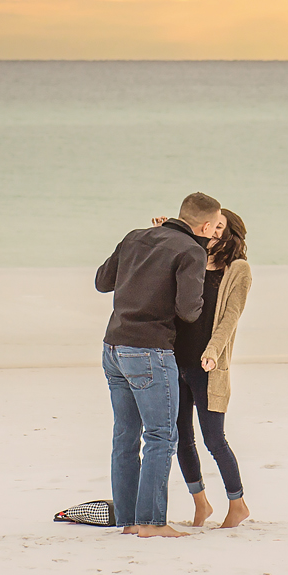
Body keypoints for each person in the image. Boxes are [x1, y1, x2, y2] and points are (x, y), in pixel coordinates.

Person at [95, 192, 222, 538]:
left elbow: (102, 282)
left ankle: (129, 521)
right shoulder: (191, 252)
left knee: (125, 437)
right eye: (214, 228)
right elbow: (188, 310)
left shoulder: (135, 236)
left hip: (113, 347)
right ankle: (151, 523)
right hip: (149, 351)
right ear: (206, 225)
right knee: (161, 436)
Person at [174, 207, 253, 528]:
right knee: (181, 438)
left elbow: (230, 318)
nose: (216, 231)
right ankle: (201, 503)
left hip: (208, 366)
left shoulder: (238, 270)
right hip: (175, 361)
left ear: (231, 232)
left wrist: (212, 352)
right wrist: (170, 228)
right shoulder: (192, 258)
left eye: (222, 227)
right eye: (212, 226)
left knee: (214, 439)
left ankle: (238, 504)